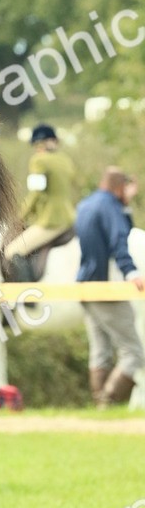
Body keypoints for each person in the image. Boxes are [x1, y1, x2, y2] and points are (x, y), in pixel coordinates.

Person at [75, 167, 144, 407]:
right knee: (135, 352)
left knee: (100, 350)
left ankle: (100, 406)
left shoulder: (86, 204)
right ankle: (108, 401)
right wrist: (132, 272)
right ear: (119, 187)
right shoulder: (111, 207)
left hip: (84, 286)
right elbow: (120, 240)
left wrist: (125, 202)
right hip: (107, 288)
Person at [4, 124, 76, 276]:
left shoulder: (39, 160)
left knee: (12, 251)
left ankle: (28, 293)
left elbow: (36, 193)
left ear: (38, 143)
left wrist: (21, 216)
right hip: (69, 217)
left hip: (51, 220)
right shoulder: (65, 160)